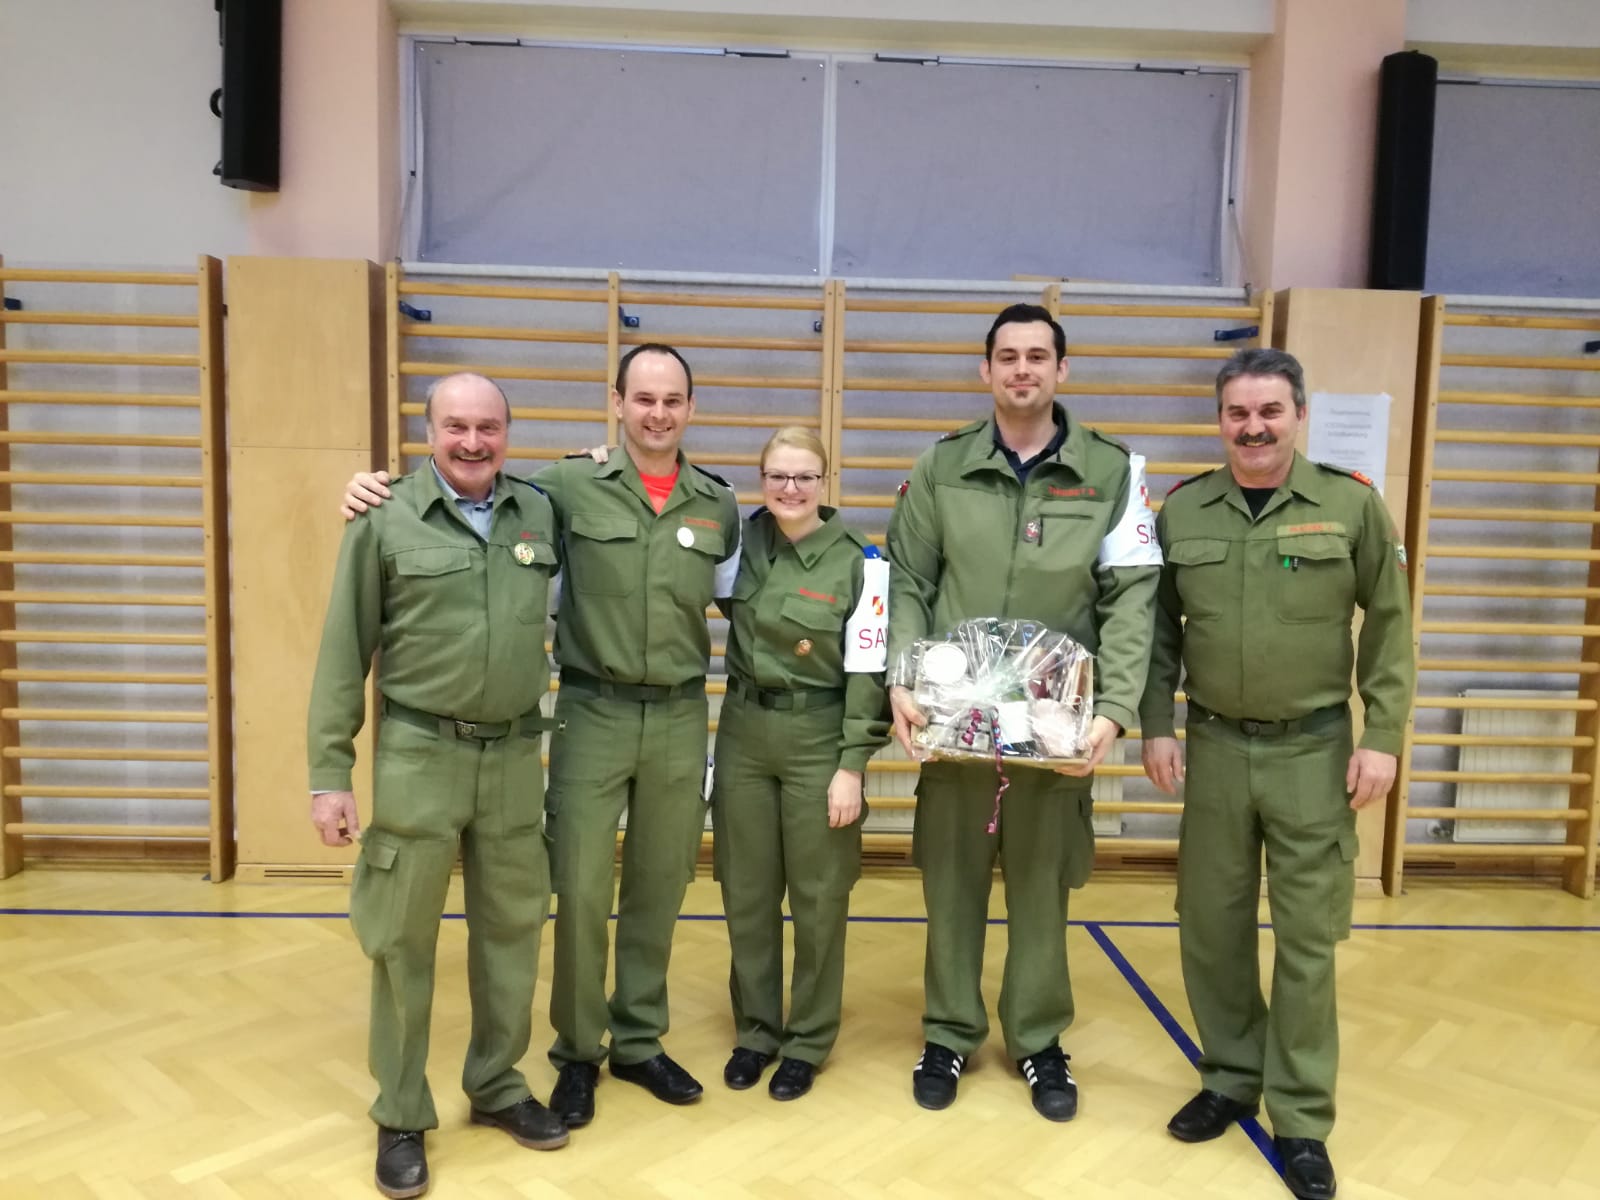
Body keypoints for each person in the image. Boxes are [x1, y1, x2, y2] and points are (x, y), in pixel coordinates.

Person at [340, 345, 740, 1130]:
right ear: (617, 404)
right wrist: (366, 486)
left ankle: (639, 1040)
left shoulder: (717, 504)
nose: (658, 413)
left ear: (691, 409)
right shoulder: (562, 487)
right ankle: (578, 1050)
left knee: (660, 886)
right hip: (591, 709)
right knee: (580, 890)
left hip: (680, 714)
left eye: (673, 400)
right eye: (644, 398)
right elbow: (466, 488)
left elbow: (750, 598)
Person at [1138, 347, 1414, 1200]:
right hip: (1215, 747)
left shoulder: (1350, 505)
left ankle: (1300, 1117)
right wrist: (1156, 725)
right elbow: (1158, 633)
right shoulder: (1185, 511)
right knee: (1210, 924)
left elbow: (1390, 624)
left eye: (1269, 411)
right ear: (1219, 420)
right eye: (1238, 413)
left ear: (1298, 415)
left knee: (1306, 939)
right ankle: (1229, 1077)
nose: (1253, 427)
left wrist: (1384, 734)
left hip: (1314, 752)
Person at [886, 303, 1161, 1120]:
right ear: (986, 370)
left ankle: (1039, 1040)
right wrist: (901, 679)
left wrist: (1115, 709)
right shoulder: (941, 468)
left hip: (1056, 726)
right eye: (1007, 356)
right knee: (952, 883)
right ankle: (949, 1031)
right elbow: (909, 581)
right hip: (957, 724)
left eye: (1038, 356)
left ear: (1061, 370)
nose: (1022, 370)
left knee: (1043, 887)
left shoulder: (1111, 471)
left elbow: (1131, 597)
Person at [308, 372, 568, 1200]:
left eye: (488, 427)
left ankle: (496, 1085)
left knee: (513, 931)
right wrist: (329, 774)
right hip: (419, 755)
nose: (472, 442)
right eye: (456, 426)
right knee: (401, 940)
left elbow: (616, 485)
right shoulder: (382, 517)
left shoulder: (539, 512)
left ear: (507, 434)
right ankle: (400, 1112)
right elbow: (343, 652)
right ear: (429, 433)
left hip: (513, 757)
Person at [712, 427, 890, 1101]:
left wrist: (853, 765)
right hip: (744, 732)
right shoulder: (740, 540)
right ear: (761, 480)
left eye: (804, 477)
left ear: (824, 481)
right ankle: (757, 1031)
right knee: (747, 891)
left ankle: (808, 1040)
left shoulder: (860, 563)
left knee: (818, 897)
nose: (790, 489)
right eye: (778, 476)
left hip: (819, 736)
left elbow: (868, 671)